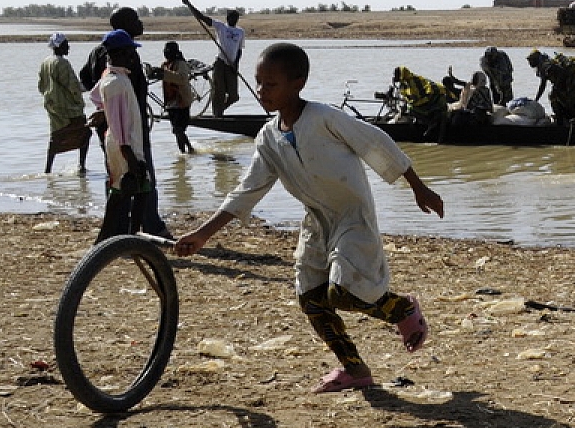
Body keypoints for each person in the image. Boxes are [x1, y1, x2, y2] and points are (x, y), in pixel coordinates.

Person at [173, 43, 444, 394]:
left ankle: (402, 308)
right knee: (311, 298)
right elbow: (248, 189)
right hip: (316, 221)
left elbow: (375, 142)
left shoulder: (324, 118)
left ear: (298, 83)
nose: (261, 92)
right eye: (258, 84)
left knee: (343, 292)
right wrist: (203, 233)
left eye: (270, 85)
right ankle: (354, 369)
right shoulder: (268, 138)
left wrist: (418, 187)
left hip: (352, 216)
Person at [78, 6, 168, 238]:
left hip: (114, 131)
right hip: (125, 132)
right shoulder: (124, 56)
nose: (141, 23)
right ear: (124, 25)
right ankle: (146, 229)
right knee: (139, 177)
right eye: (136, 20)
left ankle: (121, 231)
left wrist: (103, 109)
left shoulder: (101, 53)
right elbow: (108, 90)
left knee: (119, 178)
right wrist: (108, 111)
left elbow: (88, 81)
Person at [89, 30, 152, 241]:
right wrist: (129, 155)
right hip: (124, 145)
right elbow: (117, 125)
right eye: (128, 52)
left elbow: (95, 95)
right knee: (136, 187)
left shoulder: (112, 77)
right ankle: (128, 238)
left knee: (125, 191)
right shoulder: (116, 83)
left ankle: (115, 238)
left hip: (124, 143)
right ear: (117, 54)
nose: (132, 56)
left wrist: (102, 110)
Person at [38, 33, 91, 174]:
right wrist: (85, 91)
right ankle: (81, 166)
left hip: (52, 107)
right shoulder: (62, 63)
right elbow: (73, 86)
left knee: (56, 136)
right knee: (85, 134)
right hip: (68, 107)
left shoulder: (45, 62)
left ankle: (48, 170)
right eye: (66, 44)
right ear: (60, 46)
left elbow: (41, 86)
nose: (69, 47)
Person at [185, 0, 245, 116]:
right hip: (220, 63)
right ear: (227, 18)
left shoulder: (240, 32)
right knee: (219, 93)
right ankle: (217, 114)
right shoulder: (221, 27)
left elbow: (239, 50)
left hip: (232, 66)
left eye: (236, 18)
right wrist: (188, 5)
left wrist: (236, 64)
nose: (234, 20)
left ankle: (219, 112)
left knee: (234, 96)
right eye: (232, 18)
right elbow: (202, 17)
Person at [527, 50, 575, 122]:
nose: (529, 63)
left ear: (536, 60)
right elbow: (542, 85)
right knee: (558, 98)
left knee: (568, 102)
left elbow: (561, 73)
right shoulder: (543, 66)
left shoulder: (546, 65)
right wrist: (536, 100)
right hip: (569, 80)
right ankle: (564, 118)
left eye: (531, 61)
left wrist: (556, 87)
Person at [159, 41, 196, 154]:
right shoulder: (164, 65)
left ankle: (190, 149)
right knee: (177, 131)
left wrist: (163, 74)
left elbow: (182, 78)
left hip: (182, 102)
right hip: (171, 103)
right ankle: (183, 152)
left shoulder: (181, 64)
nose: (166, 53)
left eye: (168, 51)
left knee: (178, 129)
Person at [392, 66, 449, 132]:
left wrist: (407, 102)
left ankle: (431, 122)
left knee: (410, 109)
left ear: (401, 75)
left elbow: (416, 98)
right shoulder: (404, 83)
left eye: (395, 75)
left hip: (435, 99)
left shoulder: (413, 81)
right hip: (426, 99)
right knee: (409, 108)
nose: (394, 77)